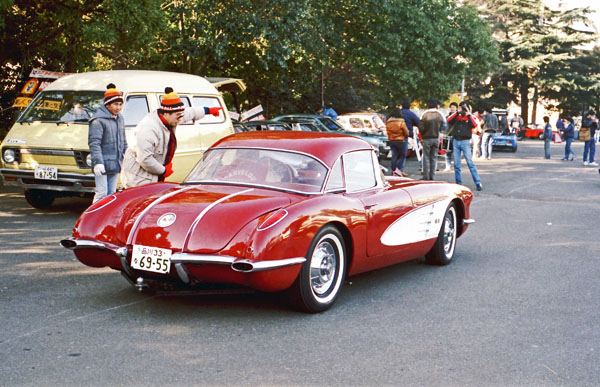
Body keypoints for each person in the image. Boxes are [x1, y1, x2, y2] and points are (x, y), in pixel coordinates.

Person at [121, 87, 222, 188]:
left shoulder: (171, 117)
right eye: (178, 116)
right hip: (138, 179)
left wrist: (208, 110)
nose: (180, 119)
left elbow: (190, 113)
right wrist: (164, 170)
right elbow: (145, 158)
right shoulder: (148, 129)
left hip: (154, 176)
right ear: (165, 113)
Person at [88, 83, 128, 203]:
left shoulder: (119, 118)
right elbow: (94, 143)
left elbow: (123, 140)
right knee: (101, 193)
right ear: (108, 104)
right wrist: (98, 163)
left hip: (115, 163)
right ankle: (94, 219)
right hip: (102, 164)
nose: (118, 107)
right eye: (115, 104)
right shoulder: (98, 120)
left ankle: (107, 219)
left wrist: (127, 155)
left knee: (112, 194)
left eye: (120, 104)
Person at [447, 101, 483, 191]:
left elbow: (474, 124)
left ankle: (478, 182)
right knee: (456, 164)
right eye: (461, 107)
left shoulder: (471, 117)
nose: (462, 110)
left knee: (470, 163)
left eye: (464, 108)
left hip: (465, 142)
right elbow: (449, 120)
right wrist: (457, 112)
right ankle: (458, 183)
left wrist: (468, 114)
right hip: (456, 141)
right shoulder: (456, 116)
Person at [419, 99, 445, 180]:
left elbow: (420, 126)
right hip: (436, 138)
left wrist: (423, 133)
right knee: (434, 157)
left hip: (427, 138)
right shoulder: (439, 114)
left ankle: (426, 176)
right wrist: (439, 131)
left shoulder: (424, 114)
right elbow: (444, 125)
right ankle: (432, 176)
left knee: (426, 157)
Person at [386, 108, 409, 177]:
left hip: (392, 141)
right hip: (401, 141)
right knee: (402, 156)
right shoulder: (401, 122)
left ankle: (393, 170)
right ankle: (398, 170)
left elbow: (388, 132)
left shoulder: (389, 122)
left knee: (394, 156)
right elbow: (406, 133)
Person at [443, 102, 458, 171]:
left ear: (457, 108)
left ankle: (456, 166)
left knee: (456, 153)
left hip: (455, 137)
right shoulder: (447, 117)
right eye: (451, 107)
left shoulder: (458, 117)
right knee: (447, 153)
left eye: (453, 107)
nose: (452, 108)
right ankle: (447, 166)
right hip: (447, 136)